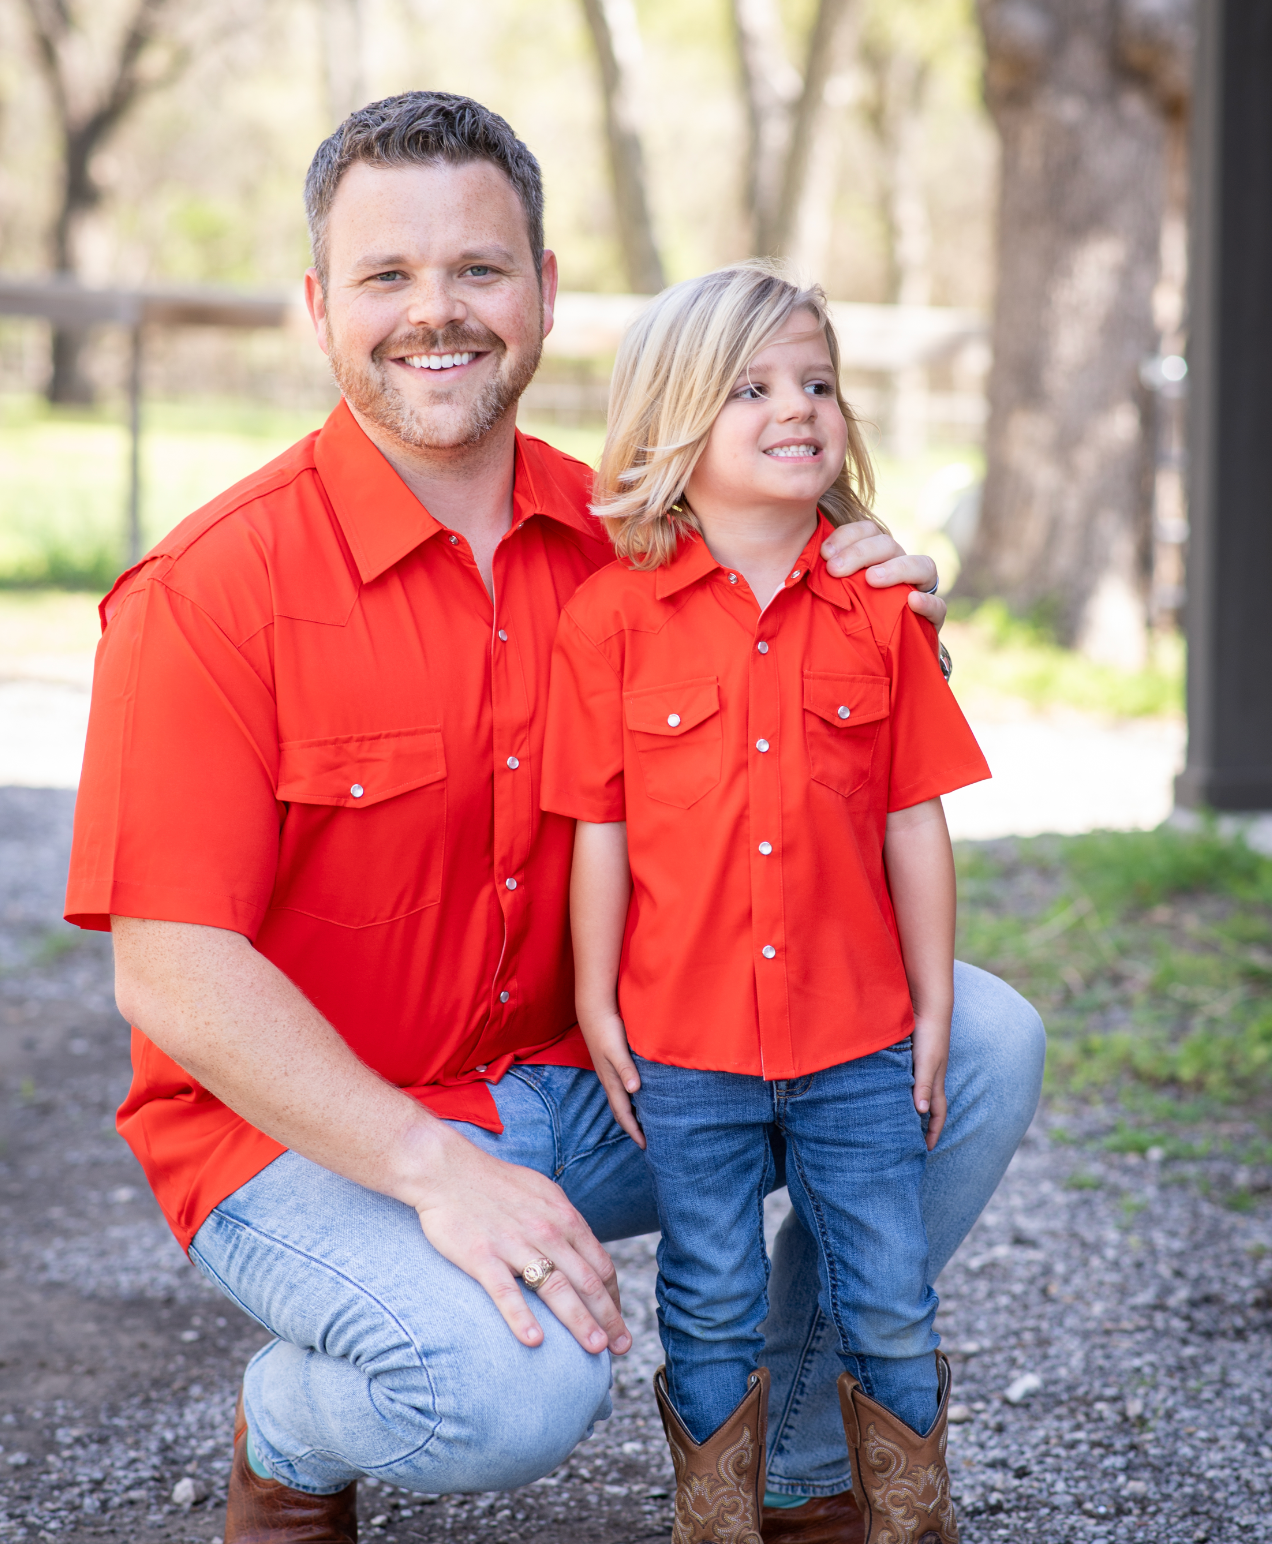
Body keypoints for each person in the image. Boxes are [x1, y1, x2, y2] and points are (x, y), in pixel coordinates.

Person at [64, 92, 1043, 1544]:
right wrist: (431, 1169)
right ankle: (288, 1426)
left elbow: (818, 745)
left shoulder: (645, 543)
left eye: (479, 269)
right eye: (389, 277)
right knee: (502, 1394)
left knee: (980, 1042)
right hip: (312, 1136)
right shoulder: (212, 592)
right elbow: (172, 972)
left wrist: (875, 611)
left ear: (546, 294)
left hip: (602, 1075)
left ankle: (804, 1473)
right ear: (320, 308)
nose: (436, 312)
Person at [544, 264, 989, 1544]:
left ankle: (910, 1517)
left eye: (818, 382)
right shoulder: (611, 620)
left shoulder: (880, 607)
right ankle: (718, 1518)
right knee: (713, 1293)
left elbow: (915, 815)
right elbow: (600, 830)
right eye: (752, 387)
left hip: (859, 1037)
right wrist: (594, 997)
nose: (797, 407)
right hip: (686, 1042)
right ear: (675, 422)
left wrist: (937, 1000)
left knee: (892, 1293)